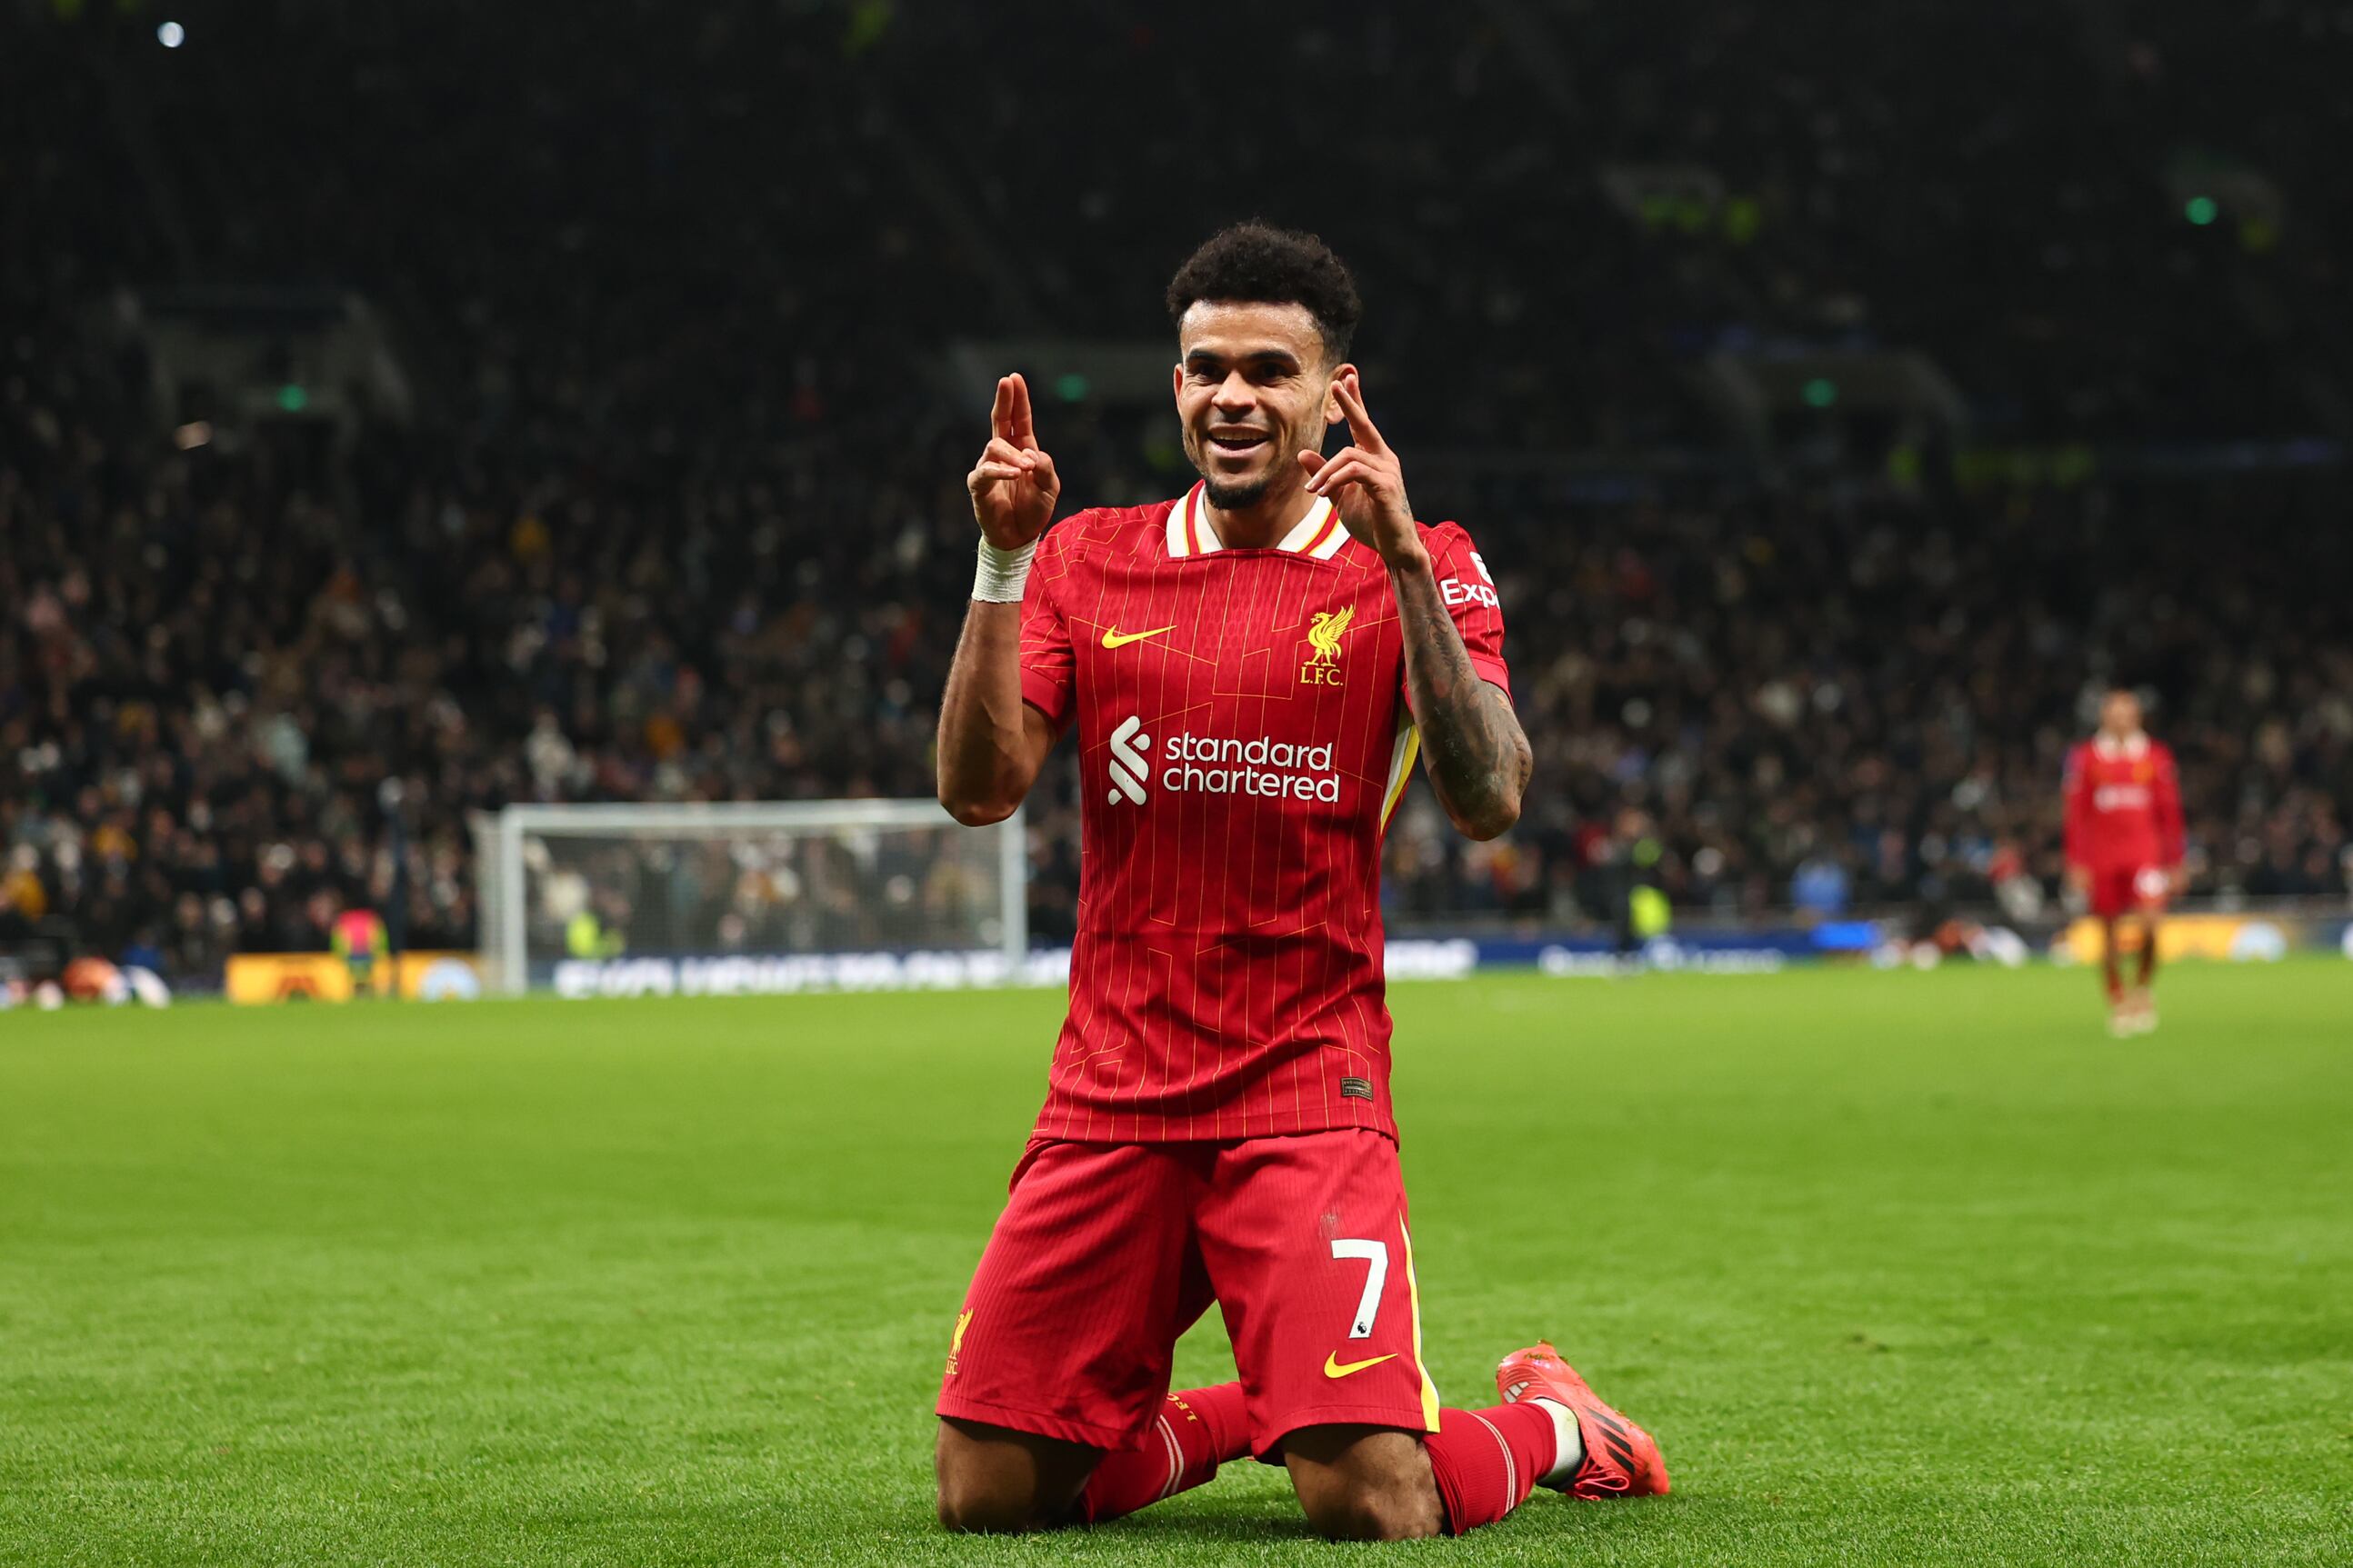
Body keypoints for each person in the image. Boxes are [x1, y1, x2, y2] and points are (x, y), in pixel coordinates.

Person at [931, 223, 1667, 1541]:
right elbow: (978, 788)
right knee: (988, 1494)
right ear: (1175, 388)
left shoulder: (1423, 559)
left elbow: (1491, 797)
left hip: (1303, 1089)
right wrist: (1001, 561)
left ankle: (1561, 1424)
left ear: (1334, 392)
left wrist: (1402, 563)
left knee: (1374, 1504)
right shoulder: (1086, 557)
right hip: (1113, 1089)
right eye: (1208, 369)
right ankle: (1248, 1414)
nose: (1234, 396)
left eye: (1270, 370)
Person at [2063, 688, 2186, 1036]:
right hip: (2103, 857)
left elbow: (2170, 813)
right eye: (2114, 713)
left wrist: (2176, 861)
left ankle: (2142, 988)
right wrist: (2076, 862)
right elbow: (2076, 814)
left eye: (2126, 713)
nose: (2120, 719)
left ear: (2137, 717)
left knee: (2151, 924)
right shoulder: (2086, 758)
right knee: (2108, 933)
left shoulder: (2156, 756)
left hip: (2145, 855)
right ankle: (2118, 998)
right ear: (2104, 717)